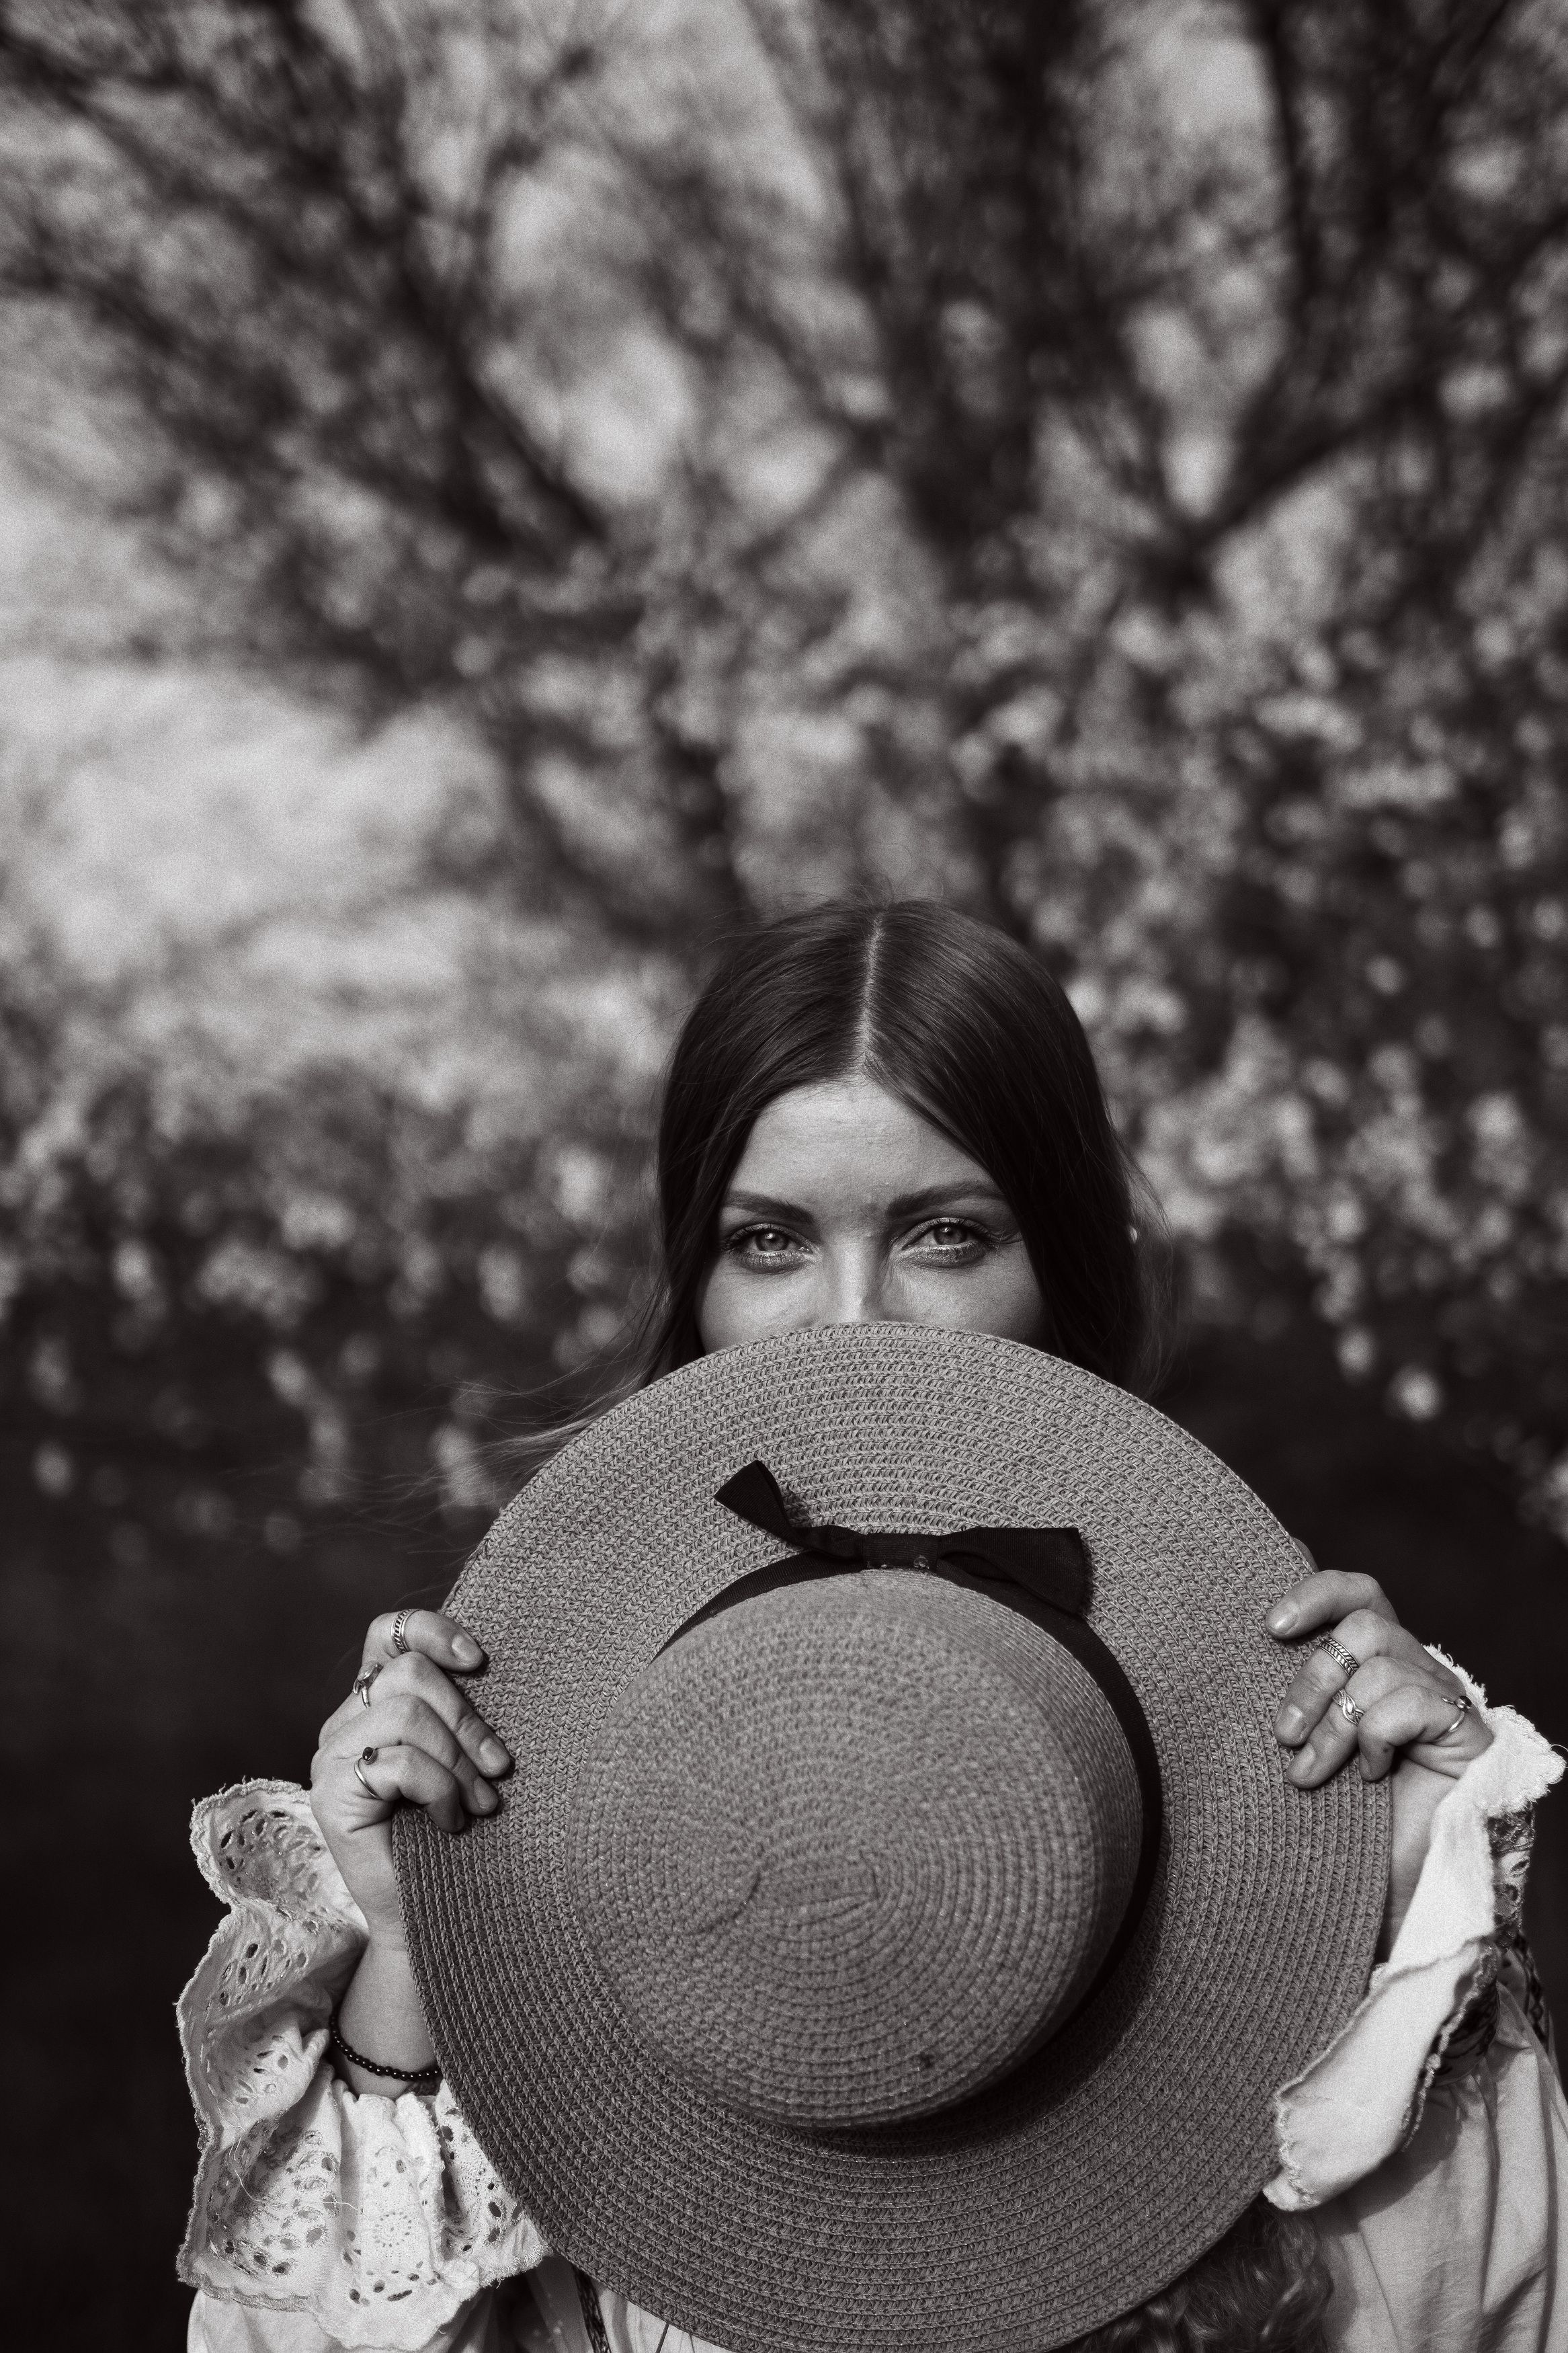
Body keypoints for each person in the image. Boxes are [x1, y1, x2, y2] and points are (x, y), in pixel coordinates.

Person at [178, 900, 1564, 2352]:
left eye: (946, 1234)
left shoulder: (1302, 1744)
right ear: (695, 1285)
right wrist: (419, 1958)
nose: (853, 1323)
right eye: (769, 1241)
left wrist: (1406, 1911)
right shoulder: (505, 1771)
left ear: (1066, 1269)